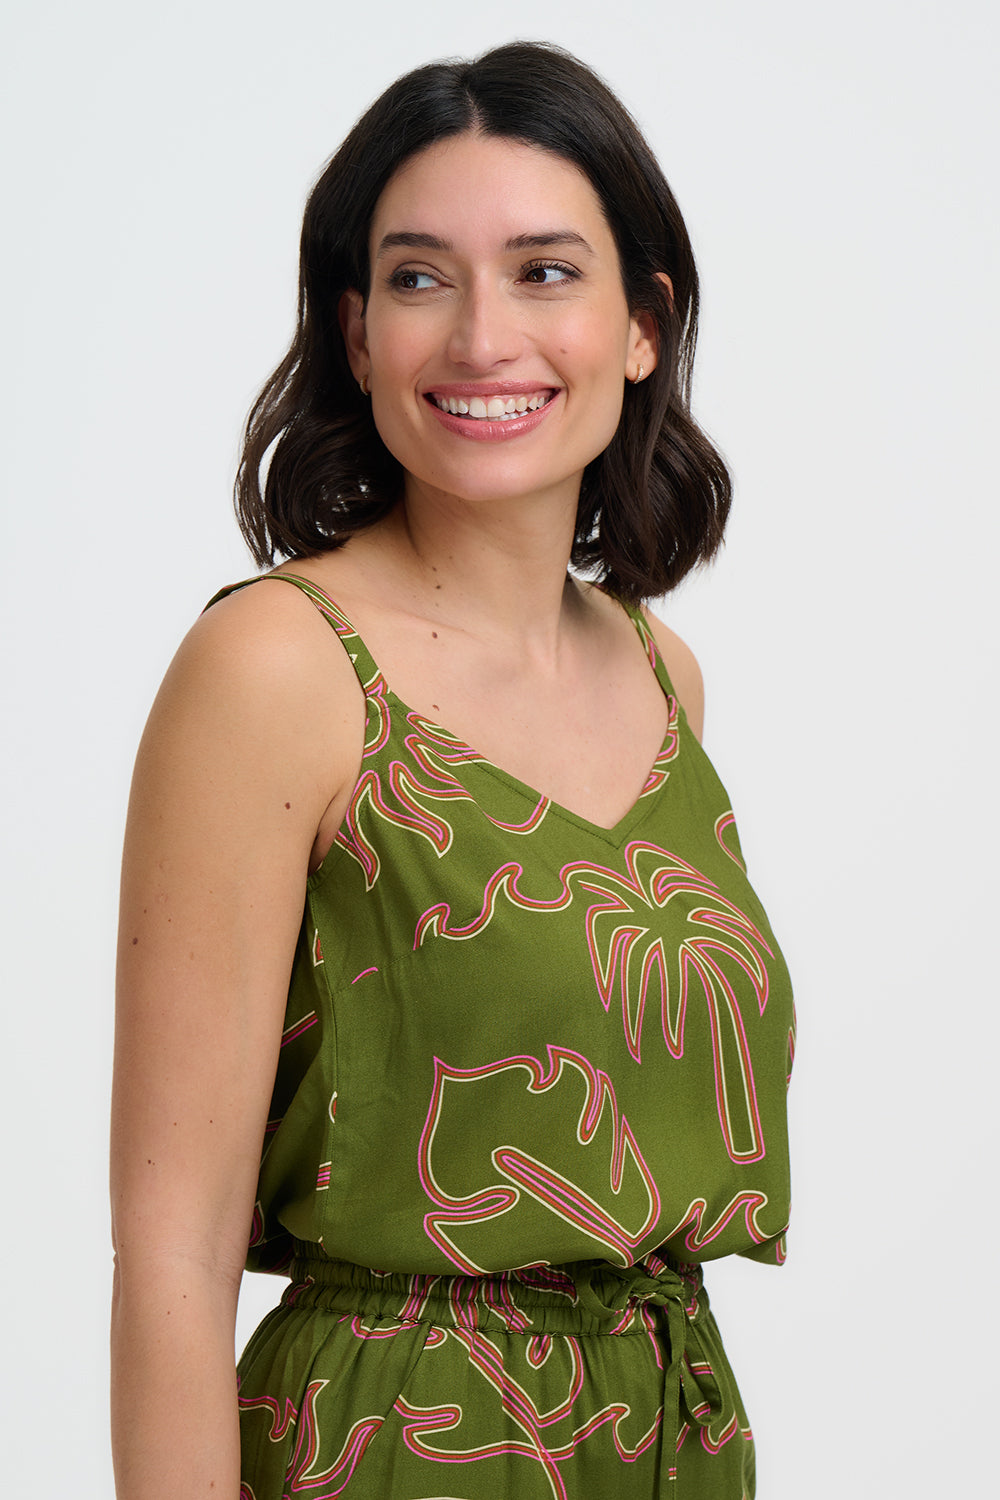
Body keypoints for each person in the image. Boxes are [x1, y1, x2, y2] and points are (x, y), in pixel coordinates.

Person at [110, 40, 794, 1500]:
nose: (483, 336)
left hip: (667, 1438)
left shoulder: (665, 678)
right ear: (356, 334)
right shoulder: (279, 671)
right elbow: (170, 1255)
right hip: (395, 1445)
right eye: (421, 278)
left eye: (546, 271)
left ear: (644, 323)